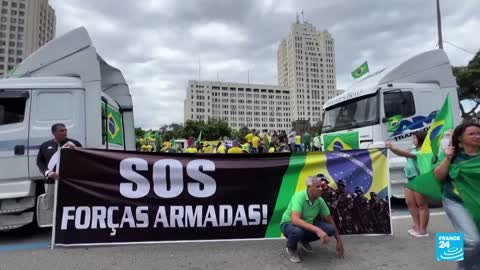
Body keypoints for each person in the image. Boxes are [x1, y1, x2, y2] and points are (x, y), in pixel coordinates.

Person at [434, 122, 480, 270]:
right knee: (472, 240)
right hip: (456, 202)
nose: (477, 136)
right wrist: (447, 158)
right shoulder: (450, 154)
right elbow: (438, 176)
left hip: (477, 201)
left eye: (479, 133)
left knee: (467, 238)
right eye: (471, 134)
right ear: (460, 138)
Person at [280, 175, 344, 263]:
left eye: (321, 186)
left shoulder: (320, 201)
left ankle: (303, 240)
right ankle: (291, 248)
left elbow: (329, 220)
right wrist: (318, 230)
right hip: (289, 224)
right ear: (309, 187)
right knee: (297, 231)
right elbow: (295, 220)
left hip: (307, 225)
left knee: (330, 229)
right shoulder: (299, 196)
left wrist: (339, 241)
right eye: (317, 186)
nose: (321, 189)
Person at [386, 130, 429, 237]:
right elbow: (403, 152)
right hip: (410, 179)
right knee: (410, 203)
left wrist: (393, 147)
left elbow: (403, 153)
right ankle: (417, 225)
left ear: (421, 139)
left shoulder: (423, 151)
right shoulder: (413, 149)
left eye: (414, 138)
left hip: (420, 179)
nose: (412, 140)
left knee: (422, 205)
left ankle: (423, 229)